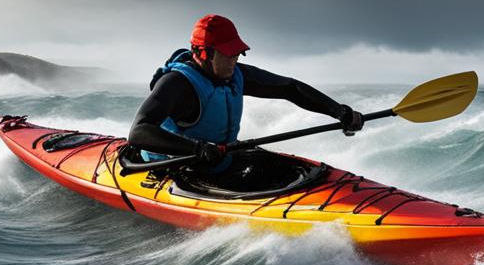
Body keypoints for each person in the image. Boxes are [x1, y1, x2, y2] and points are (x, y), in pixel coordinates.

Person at [127, 14, 364, 192]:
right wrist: (197, 149)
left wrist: (339, 111)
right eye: (228, 54)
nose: (235, 60)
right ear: (205, 53)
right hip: (177, 164)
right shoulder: (177, 84)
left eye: (237, 53)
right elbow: (139, 132)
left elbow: (291, 88)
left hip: (218, 157)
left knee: (280, 169)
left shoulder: (236, 75)